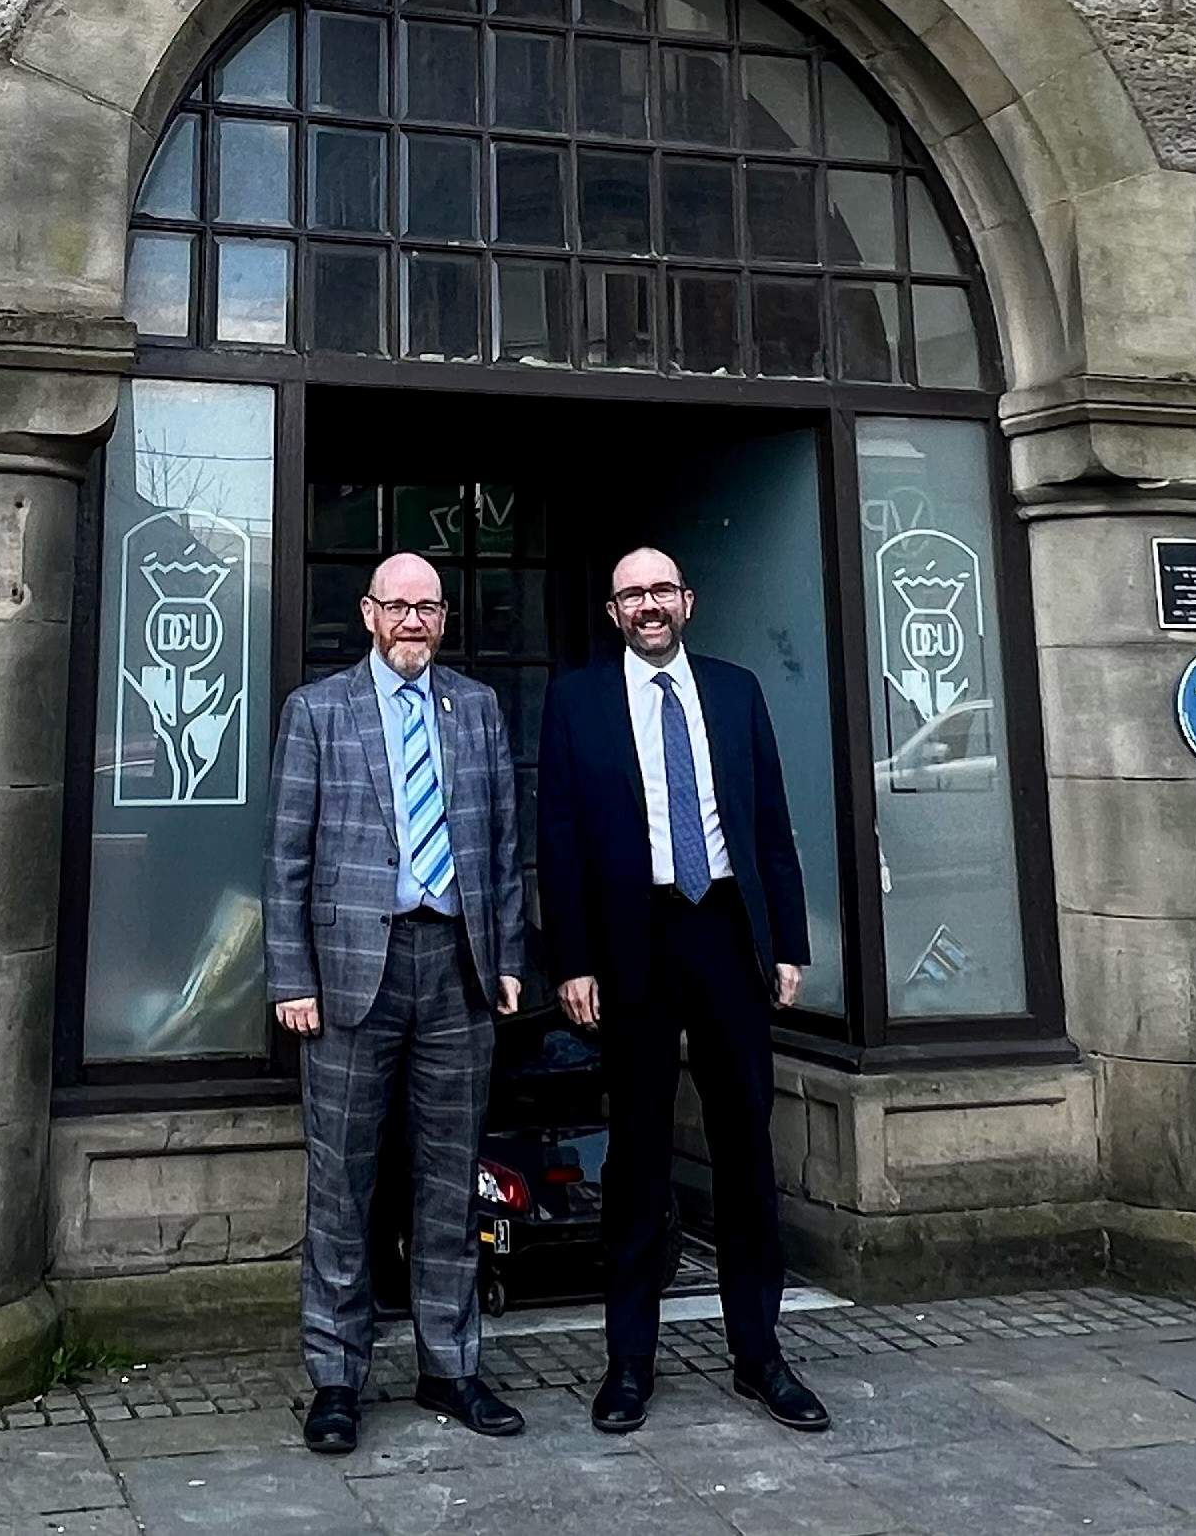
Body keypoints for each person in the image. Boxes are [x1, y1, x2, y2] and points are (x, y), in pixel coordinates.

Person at [538, 544, 829, 1437]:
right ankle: (629, 1363)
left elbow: (771, 822)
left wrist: (786, 941)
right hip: (632, 940)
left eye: (661, 589)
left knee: (746, 1145)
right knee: (636, 1155)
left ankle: (760, 1355)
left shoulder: (737, 690)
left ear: (688, 600)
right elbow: (559, 837)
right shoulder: (577, 698)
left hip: (727, 931)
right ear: (614, 610)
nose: (649, 604)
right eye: (632, 592)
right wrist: (573, 960)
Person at [263, 550, 527, 1456]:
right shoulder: (318, 711)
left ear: (444, 619)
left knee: (450, 1182)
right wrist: (291, 976)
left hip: (456, 965)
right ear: (369, 613)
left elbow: (500, 842)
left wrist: (508, 957)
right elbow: (287, 856)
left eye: (429, 607)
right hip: (347, 977)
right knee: (342, 1181)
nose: (413, 620)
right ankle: (337, 1377)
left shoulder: (478, 709)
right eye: (398, 605)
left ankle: (450, 1366)